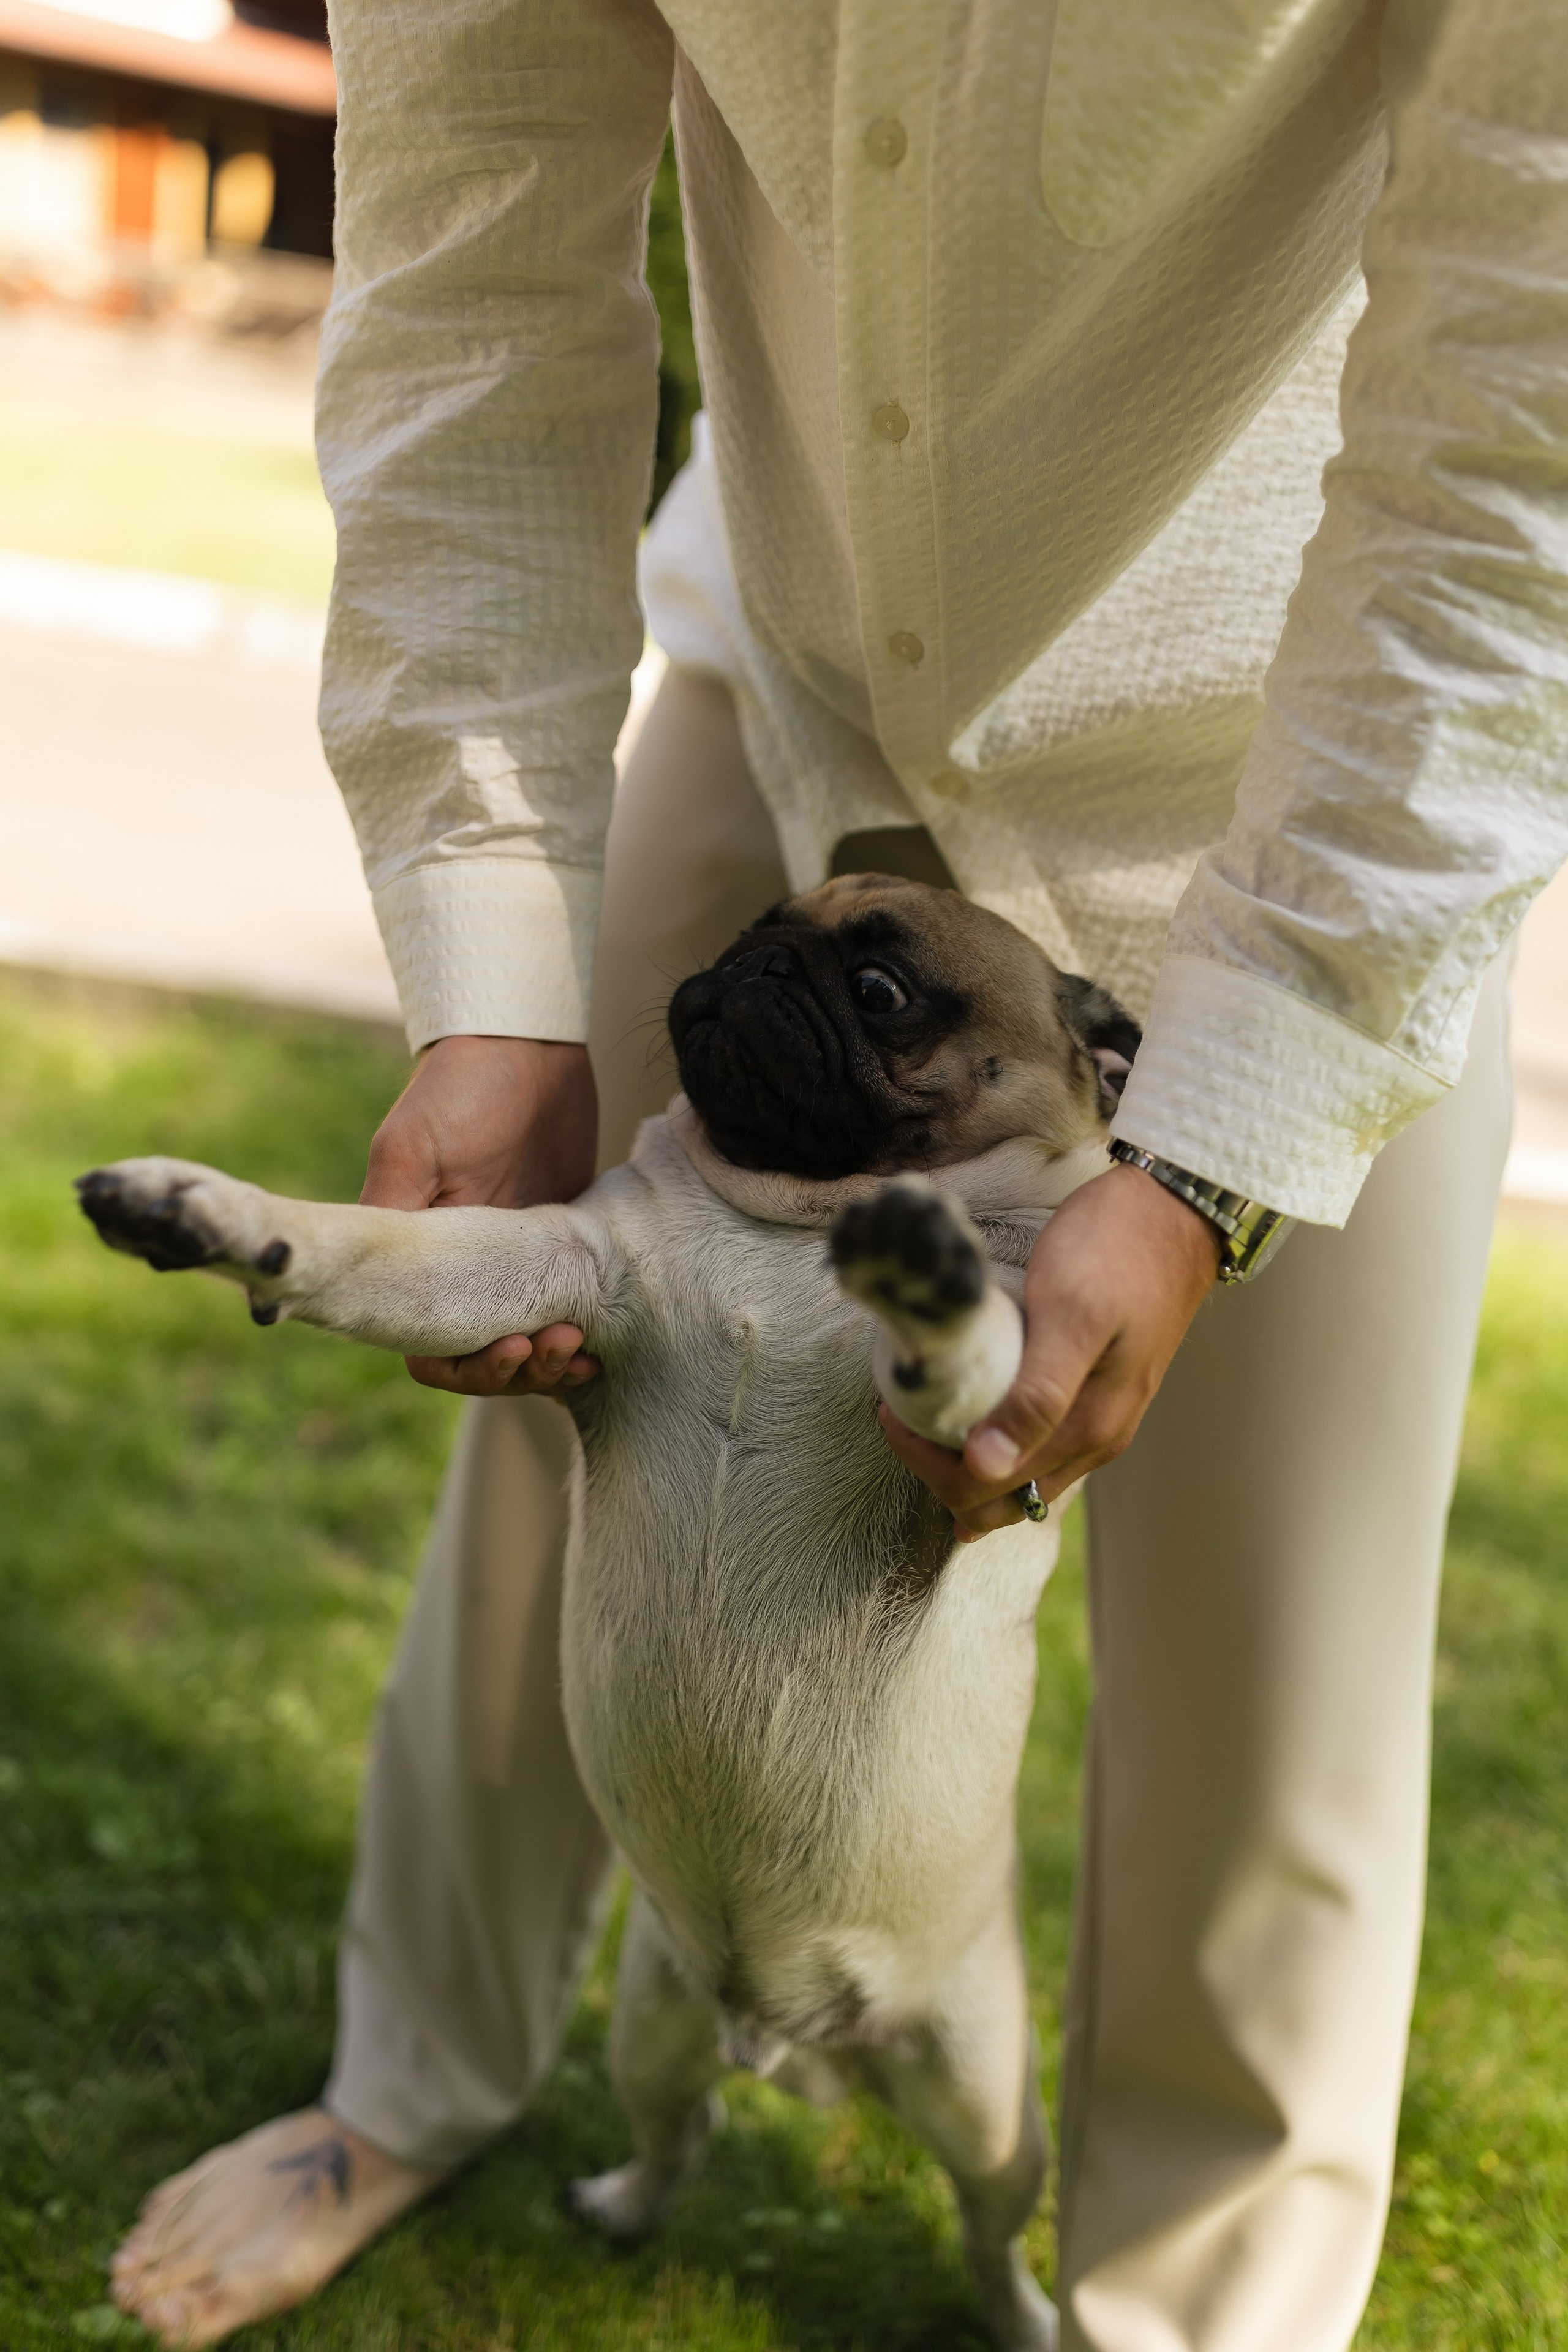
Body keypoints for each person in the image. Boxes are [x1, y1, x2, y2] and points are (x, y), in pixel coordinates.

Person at [111, 2, 1567, 2346]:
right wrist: (492, 973)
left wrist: (1216, 1154)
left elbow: (1524, 434)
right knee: (547, 1433)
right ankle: (411, 2083)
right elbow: (480, 259)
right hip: (794, 689)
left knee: (1282, 1671)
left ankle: (1191, 2313)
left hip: (1309, 794)